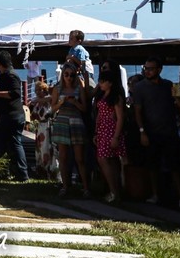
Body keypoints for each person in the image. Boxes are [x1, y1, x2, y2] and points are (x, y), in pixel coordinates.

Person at [133, 57, 180, 208]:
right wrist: (142, 131)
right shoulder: (139, 87)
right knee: (152, 165)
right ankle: (155, 194)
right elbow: (137, 111)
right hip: (151, 131)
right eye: (146, 68)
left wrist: (178, 99)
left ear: (159, 69)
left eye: (151, 68)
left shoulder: (169, 85)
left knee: (175, 166)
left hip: (169, 130)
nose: (147, 71)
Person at [0, 50, 29, 182]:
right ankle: (2, 169)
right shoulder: (4, 75)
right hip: (6, 116)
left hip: (12, 115)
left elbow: (14, 94)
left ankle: (22, 173)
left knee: (15, 143)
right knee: (1, 143)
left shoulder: (12, 75)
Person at [50, 63, 90, 197]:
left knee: (79, 158)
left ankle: (85, 187)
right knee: (63, 157)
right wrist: (61, 102)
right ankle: (65, 186)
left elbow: (85, 108)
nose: (69, 78)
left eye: (72, 75)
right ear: (63, 75)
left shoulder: (79, 88)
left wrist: (75, 103)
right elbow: (53, 108)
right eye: (66, 74)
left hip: (76, 121)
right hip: (62, 121)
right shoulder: (58, 88)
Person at [93, 71, 126, 203]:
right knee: (108, 160)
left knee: (104, 159)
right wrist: (96, 131)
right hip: (102, 130)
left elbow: (120, 118)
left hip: (111, 130)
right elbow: (99, 114)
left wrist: (116, 136)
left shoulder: (116, 97)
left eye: (103, 81)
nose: (100, 83)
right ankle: (114, 191)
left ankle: (114, 191)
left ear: (110, 83)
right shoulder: (102, 95)